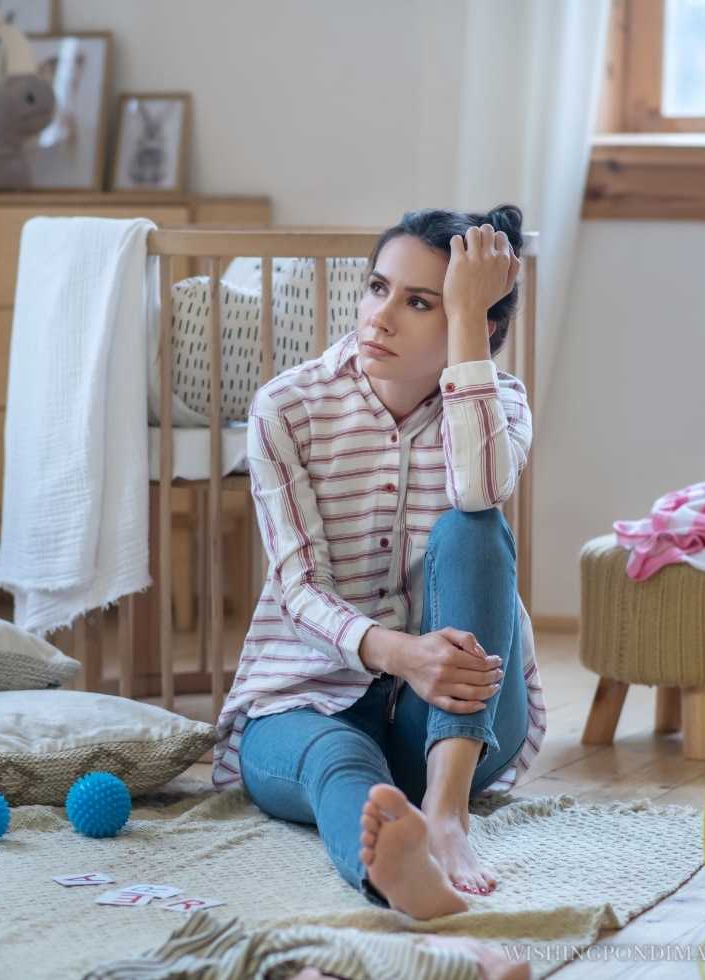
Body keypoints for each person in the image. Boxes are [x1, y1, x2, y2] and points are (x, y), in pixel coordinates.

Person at [211, 206, 547, 923]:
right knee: (338, 764)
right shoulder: (287, 408)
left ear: (475, 322)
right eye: (377, 288)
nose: (380, 318)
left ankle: (447, 815)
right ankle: (397, 873)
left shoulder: (502, 403)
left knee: (473, 528)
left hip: (456, 722)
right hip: (303, 701)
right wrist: (402, 654)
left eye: (419, 301)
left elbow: (478, 489)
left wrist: (466, 322)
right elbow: (297, 588)